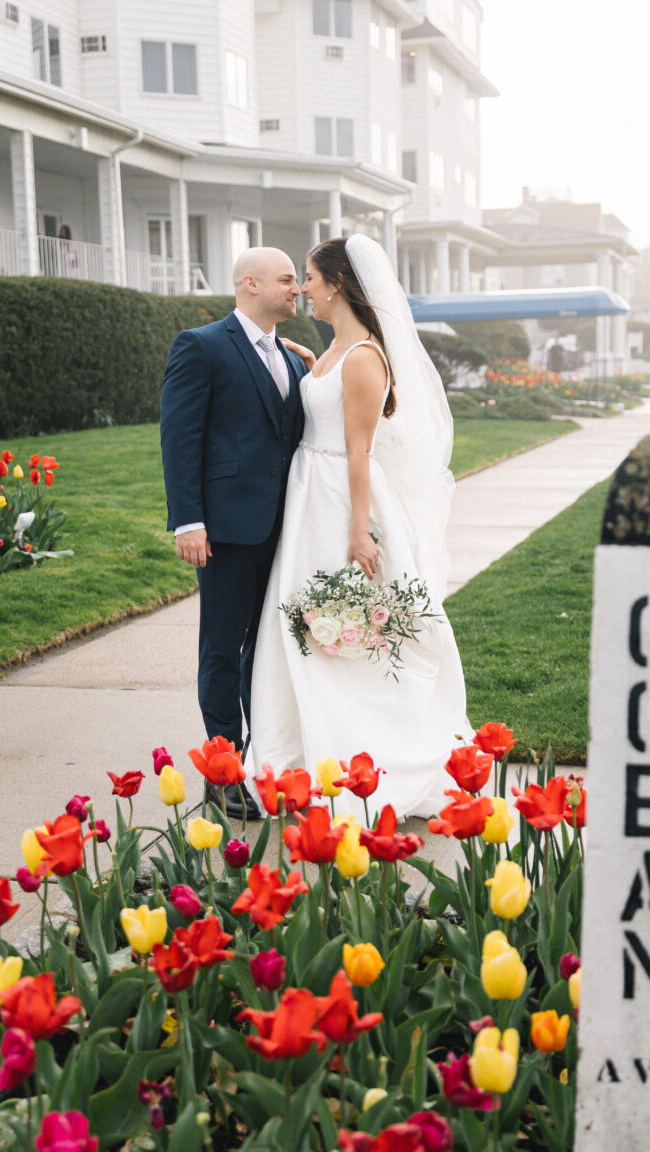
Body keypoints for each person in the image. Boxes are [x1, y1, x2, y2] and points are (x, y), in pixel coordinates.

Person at [247, 235, 470, 820]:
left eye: (311, 278)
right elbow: (324, 397)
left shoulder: (366, 356)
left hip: (338, 500)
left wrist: (358, 531)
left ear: (339, 283)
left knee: (346, 626)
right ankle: (301, 750)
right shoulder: (334, 350)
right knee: (304, 621)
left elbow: (359, 450)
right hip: (309, 497)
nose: (303, 288)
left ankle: (373, 751)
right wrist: (306, 363)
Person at [160, 247, 308, 817]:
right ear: (250, 283)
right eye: (286, 279)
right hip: (225, 528)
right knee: (223, 648)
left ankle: (260, 759)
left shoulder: (291, 358)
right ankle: (221, 771)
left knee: (266, 650)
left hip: (285, 528)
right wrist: (188, 520)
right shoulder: (201, 346)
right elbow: (180, 438)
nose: (296, 289)